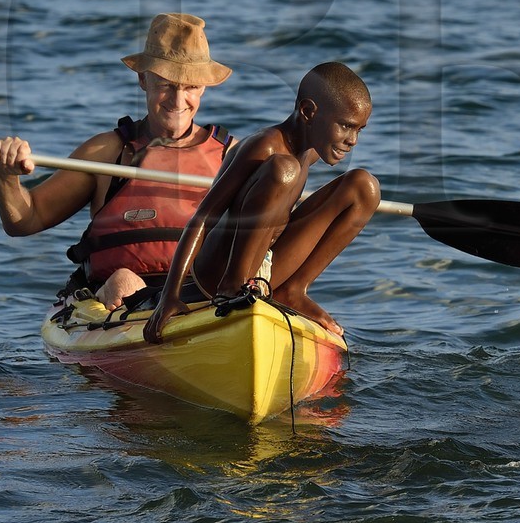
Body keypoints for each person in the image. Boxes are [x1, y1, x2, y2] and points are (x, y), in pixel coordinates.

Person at [0, 13, 235, 309]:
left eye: (191, 87)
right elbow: (25, 221)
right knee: (124, 281)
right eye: (166, 84)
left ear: (204, 88)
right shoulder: (107, 153)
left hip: (204, 298)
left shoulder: (230, 155)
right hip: (124, 303)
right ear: (143, 79)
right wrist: (7, 177)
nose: (178, 99)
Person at [144, 61, 381, 344]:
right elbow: (203, 217)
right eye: (345, 126)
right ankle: (232, 289)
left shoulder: (309, 149)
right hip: (219, 270)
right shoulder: (264, 146)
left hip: (265, 267)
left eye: (359, 130)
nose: (352, 140)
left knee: (365, 187)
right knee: (285, 170)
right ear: (308, 112)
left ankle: (293, 290)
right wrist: (169, 296)